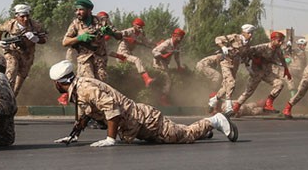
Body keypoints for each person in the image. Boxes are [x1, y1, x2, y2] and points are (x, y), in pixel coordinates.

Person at [48, 60, 236, 146]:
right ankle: (205, 131)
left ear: (58, 83)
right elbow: (86, 114)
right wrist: (73, 136)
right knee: (180, 132)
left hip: (146, 121)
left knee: (183, 136)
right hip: (138, 124)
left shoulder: (85, 88)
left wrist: (110, 139)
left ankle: (215, 121)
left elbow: (112, 110)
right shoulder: (79, 88)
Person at [231, 31, 290, 116]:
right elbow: (246, 52)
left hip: (267, 73)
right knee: (248, 92)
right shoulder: (262, 47)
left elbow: (282, 59)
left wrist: (286, 70)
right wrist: (254, 60)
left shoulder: (278, 50)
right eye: (279, 41)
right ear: (273, 40)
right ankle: (235, 108)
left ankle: (268, 104)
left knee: (279, 84)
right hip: (256, 73)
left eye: (282, 41)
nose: (280, 43)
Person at [0, 3, 47, 97]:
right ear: (16, 17)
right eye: (22, 16)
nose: (25, 19)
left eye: (27, 16)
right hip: (12, 51)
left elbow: (44, 38)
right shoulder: (10, 24)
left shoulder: (35, 25)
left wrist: (36, 39)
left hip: (27, 55)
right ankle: (5, 96)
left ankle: (12, 99)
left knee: (19, 82)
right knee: (12, 70)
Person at [62, 0, 120, 82]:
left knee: (101, 85)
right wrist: (80, 38)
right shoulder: (75, 24)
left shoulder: (102, 21)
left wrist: (111, 32)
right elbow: (65, 42)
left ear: (89, 10)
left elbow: (119, 36)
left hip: (100, 60)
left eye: (81, 10)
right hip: (84, 59)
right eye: (76, 10)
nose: (78, 12)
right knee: (87, 83)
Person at [211, 24, 254, 115]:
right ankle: (228, 107)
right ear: (244, 32)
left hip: (235, 65)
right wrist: (223, 46)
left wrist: (248, 68)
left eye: (252, 33)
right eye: (249, 33)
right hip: (226, 63)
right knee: (231, 83)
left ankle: (214, 100)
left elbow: (245, 56)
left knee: (225, 87)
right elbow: (217, 39)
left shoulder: (247, 43)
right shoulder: (235, 37)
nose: (250, 35)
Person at [112, 17, 154, 87]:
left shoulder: (141, 33)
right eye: (139, 26)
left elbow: (146, 42)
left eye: (142, 27)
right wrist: (127, 39)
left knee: (133, 69)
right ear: (134, 25)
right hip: (122, 52)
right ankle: (146, 79)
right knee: (137, 60)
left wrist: (155, 45)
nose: (140, 28)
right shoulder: (129, 31)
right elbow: (118, 35)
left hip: (129, 53)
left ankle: (136, 84)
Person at [151, 28, 186, 105]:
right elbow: (154, 51)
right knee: (167, 81)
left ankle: (160, 97)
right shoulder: (167, 43)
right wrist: (162, 56)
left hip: (165, 64)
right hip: (159, 63)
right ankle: (162, 99)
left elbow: (177, 57)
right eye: (181, 37)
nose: (181, 39)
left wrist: (179, 66)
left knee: (163, 80)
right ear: (175, 36)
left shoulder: (177, 46)